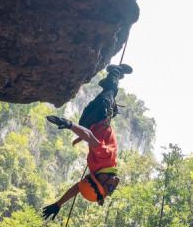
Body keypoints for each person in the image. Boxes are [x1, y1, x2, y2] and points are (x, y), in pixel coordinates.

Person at [41, 63, 131, 218]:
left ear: (99, 180)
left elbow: (89, 136)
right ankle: (113, 79)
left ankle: (112, 77)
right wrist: (58, 203)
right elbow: (89, 136)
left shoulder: (102, 167)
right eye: (110, 189)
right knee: (110, 96)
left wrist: (69, 125)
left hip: (93, 119)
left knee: (108, 94)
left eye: (108, 187)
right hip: (95, 120)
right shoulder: (101, 166)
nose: (112, 185)